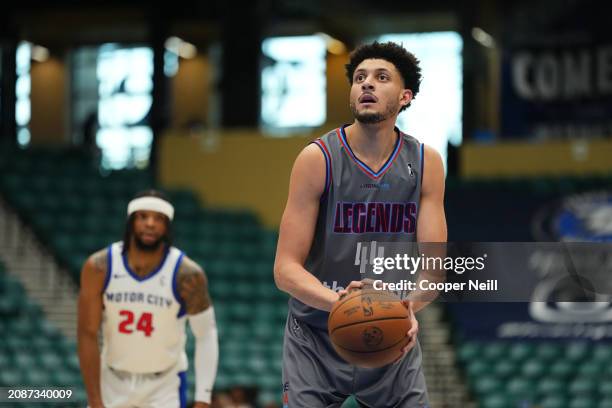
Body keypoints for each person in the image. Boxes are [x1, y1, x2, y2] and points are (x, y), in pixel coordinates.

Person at [274, 41, 447, 407]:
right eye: (359, 78)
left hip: (389, 335)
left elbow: (433, 272)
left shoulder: (426, 162)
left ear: (405, 96)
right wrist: (343, 304)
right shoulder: (316, 158)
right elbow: (285, 270)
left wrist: (404, 308)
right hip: (316, 338)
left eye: (381, 77)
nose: (366, 84)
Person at [78, 190, 219, 408]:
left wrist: (203, 397)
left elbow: (206, 334)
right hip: (112, 382)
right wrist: (95, 399)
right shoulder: (99, 267)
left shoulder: (187, 274)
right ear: (131, 221)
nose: (150, 224)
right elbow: (87, 333)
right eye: (143, 216)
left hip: (164, 385)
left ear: (168, 226)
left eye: (159, 218)